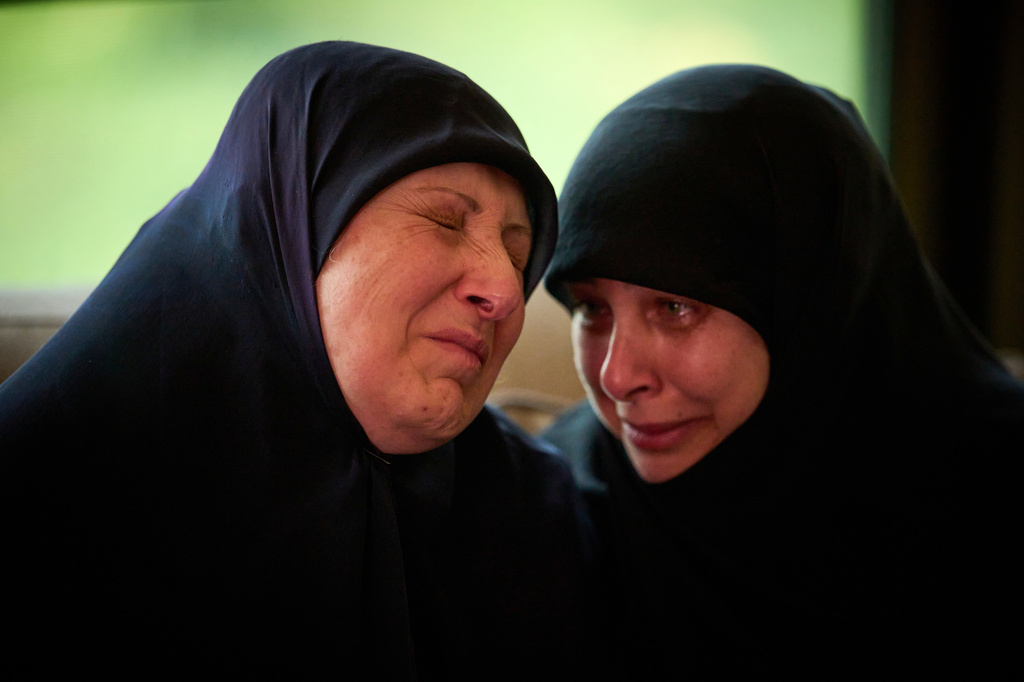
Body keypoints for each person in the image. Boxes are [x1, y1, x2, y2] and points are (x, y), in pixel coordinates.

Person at [0, 42, 595, 678]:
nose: (505, 292)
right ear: (291, 231)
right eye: (445, 222)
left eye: (516, 252)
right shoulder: (44, 501)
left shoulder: (528, 509)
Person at [541, 64, 1023, 677]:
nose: (616, 377)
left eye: (676, 307)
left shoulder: (996, 500)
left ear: (814, 298)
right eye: (592, 309)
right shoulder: (559, 500)